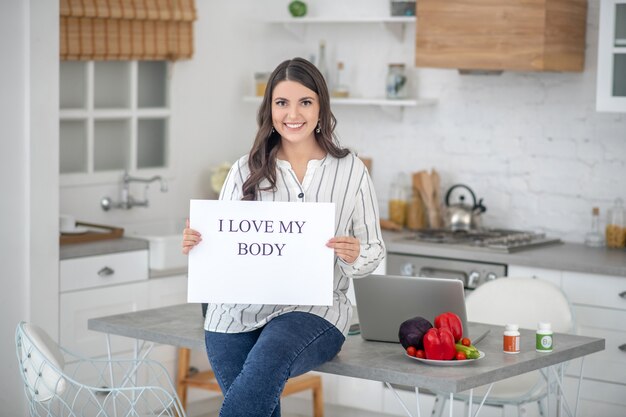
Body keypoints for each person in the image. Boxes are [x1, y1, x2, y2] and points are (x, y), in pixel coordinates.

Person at [182, 57, 385, 417]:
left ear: (321, 108)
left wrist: (354, 254)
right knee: (256, 406)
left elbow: (374, 253)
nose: (293, 114)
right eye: (282, 103)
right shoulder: (245, 168)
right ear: (269, 110)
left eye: (305, 102)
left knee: (264, 369)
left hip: (312, 310)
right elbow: (224, 248)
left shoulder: (351, 170)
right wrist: (199, 243)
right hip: (234, 312)